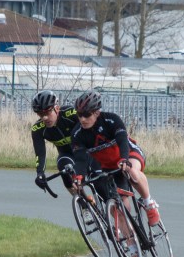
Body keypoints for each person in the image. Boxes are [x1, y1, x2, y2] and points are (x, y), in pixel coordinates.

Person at [67, 90, 161, 227]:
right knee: (121, 210)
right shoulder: (77, 134)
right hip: (110, 166)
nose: (82, 119)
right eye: (79, 115)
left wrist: (124, 159)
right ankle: (133, 246)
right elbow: (80, 158)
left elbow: (123, 141)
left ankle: (149, 203)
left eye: (86, 115)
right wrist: (79, 176)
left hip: (129, 154)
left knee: (132, 172)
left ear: (96, 112)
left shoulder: (111, 120)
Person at [30, 90, 80, 191]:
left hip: (85, 151)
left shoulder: (70, 114)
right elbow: (40, 154)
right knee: (62, 166)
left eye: (47, 112)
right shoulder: (37, 129)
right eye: (40, 114)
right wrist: (40, 173)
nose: (44, 117)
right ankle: (82, 204)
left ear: (56, 108)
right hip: (67, 154)